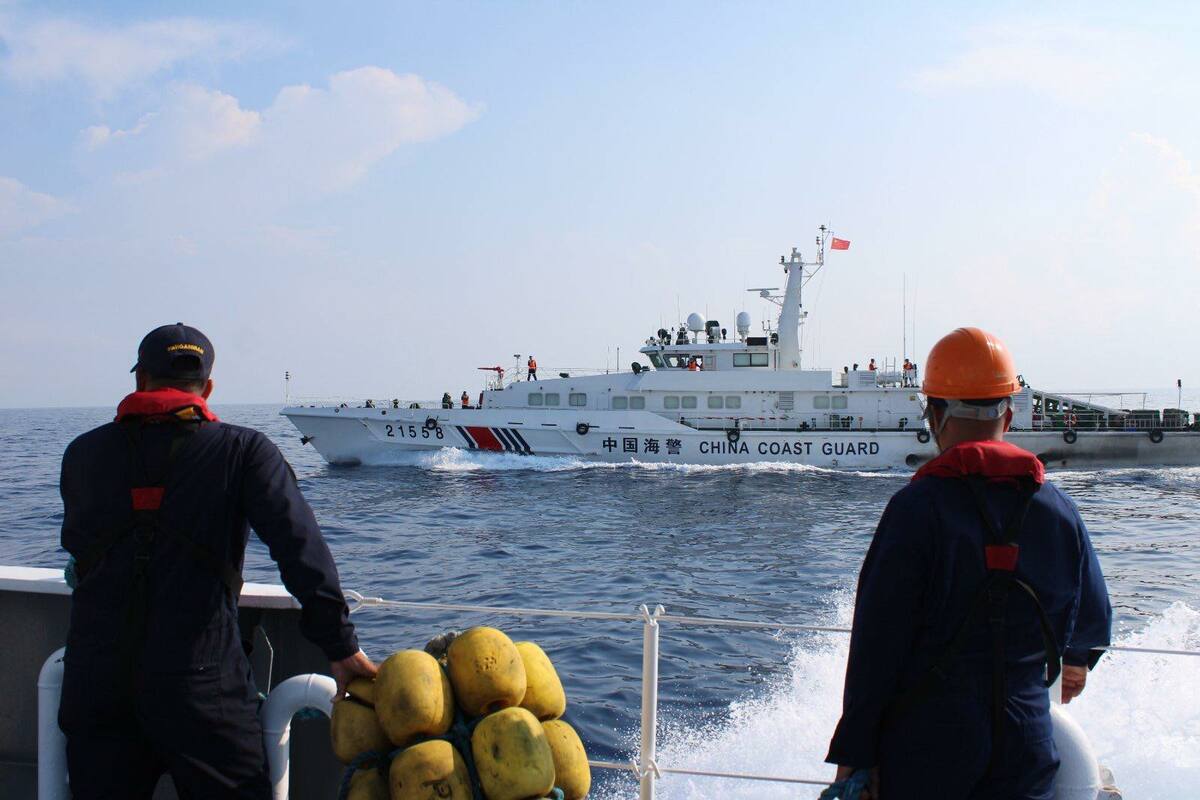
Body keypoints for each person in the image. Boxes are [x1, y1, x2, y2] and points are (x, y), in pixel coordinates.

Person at [58, 323, 376, 799]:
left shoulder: (82, 454)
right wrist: (341, 646)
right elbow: (301, 553)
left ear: (139, 380)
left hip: (96, 683)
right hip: (202, 685)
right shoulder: (245, 452)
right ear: (206, 388)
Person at [825, 327, 1111, 799]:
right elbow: (1090, 625)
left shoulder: (915, 510)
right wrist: (1073, 663)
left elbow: (877, 648)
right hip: (1027, 746)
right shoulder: (1059, 509)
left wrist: (855, 755)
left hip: (928, 751)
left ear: (934, 413)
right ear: (1010, 412)